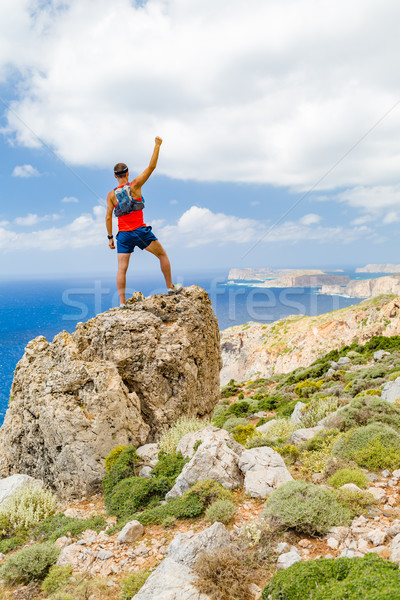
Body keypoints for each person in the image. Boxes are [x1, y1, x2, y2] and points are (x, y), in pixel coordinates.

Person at [106, 136, 183, 307]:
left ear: (115, 176)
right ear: (127, 173)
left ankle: (122, 303)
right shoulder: (135, 185)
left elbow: (108, 217)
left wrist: (110, 238)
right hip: (140, 231)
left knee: (121, 269)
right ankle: (170, 287)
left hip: (123, 235)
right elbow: (152, 167)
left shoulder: (111, 195)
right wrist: (157, 145)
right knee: (162, 255)